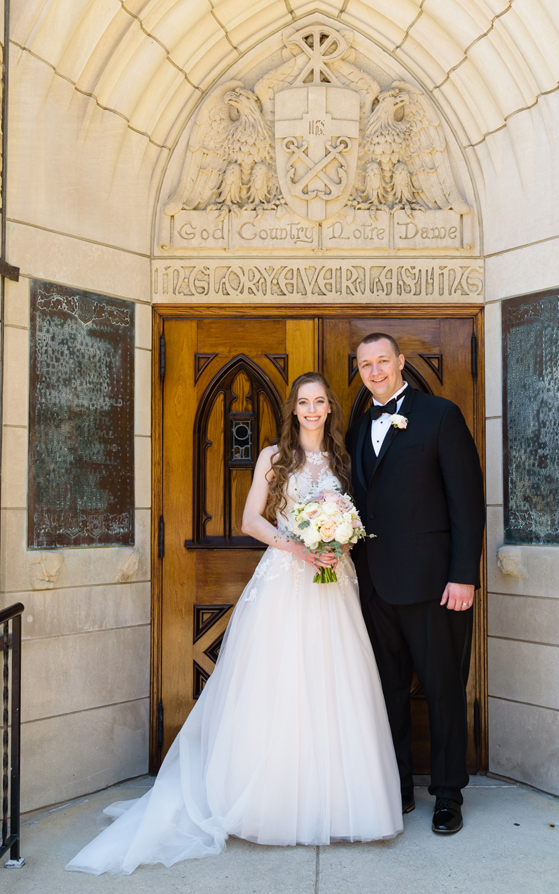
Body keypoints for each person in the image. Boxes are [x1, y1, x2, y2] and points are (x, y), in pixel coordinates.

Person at [68, 373, 400, 873]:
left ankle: (335, 800)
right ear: (292, 409)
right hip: (287, 577)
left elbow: (354, 516)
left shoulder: (343, 458)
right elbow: (250, 520)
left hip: (336, 581)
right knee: (279, 685)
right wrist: (301, 547)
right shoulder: (273, 456)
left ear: (330, 408)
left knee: (336, 684)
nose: (311, 410)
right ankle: (271, 800)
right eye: (303, 403)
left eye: (319, 402)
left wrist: (340, 543)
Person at [347, 331, 485, 837]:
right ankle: (398, 785)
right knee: (387, 693)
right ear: (358, 371)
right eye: (366, 365)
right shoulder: (359, 428)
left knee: (445, 688)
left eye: (383, 361)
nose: (375, 371)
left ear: (401, 362)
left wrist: (463, 575)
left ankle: (448, 793)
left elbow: (467, 504)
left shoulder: (440, 416)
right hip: (374, 585)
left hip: (434, 584)